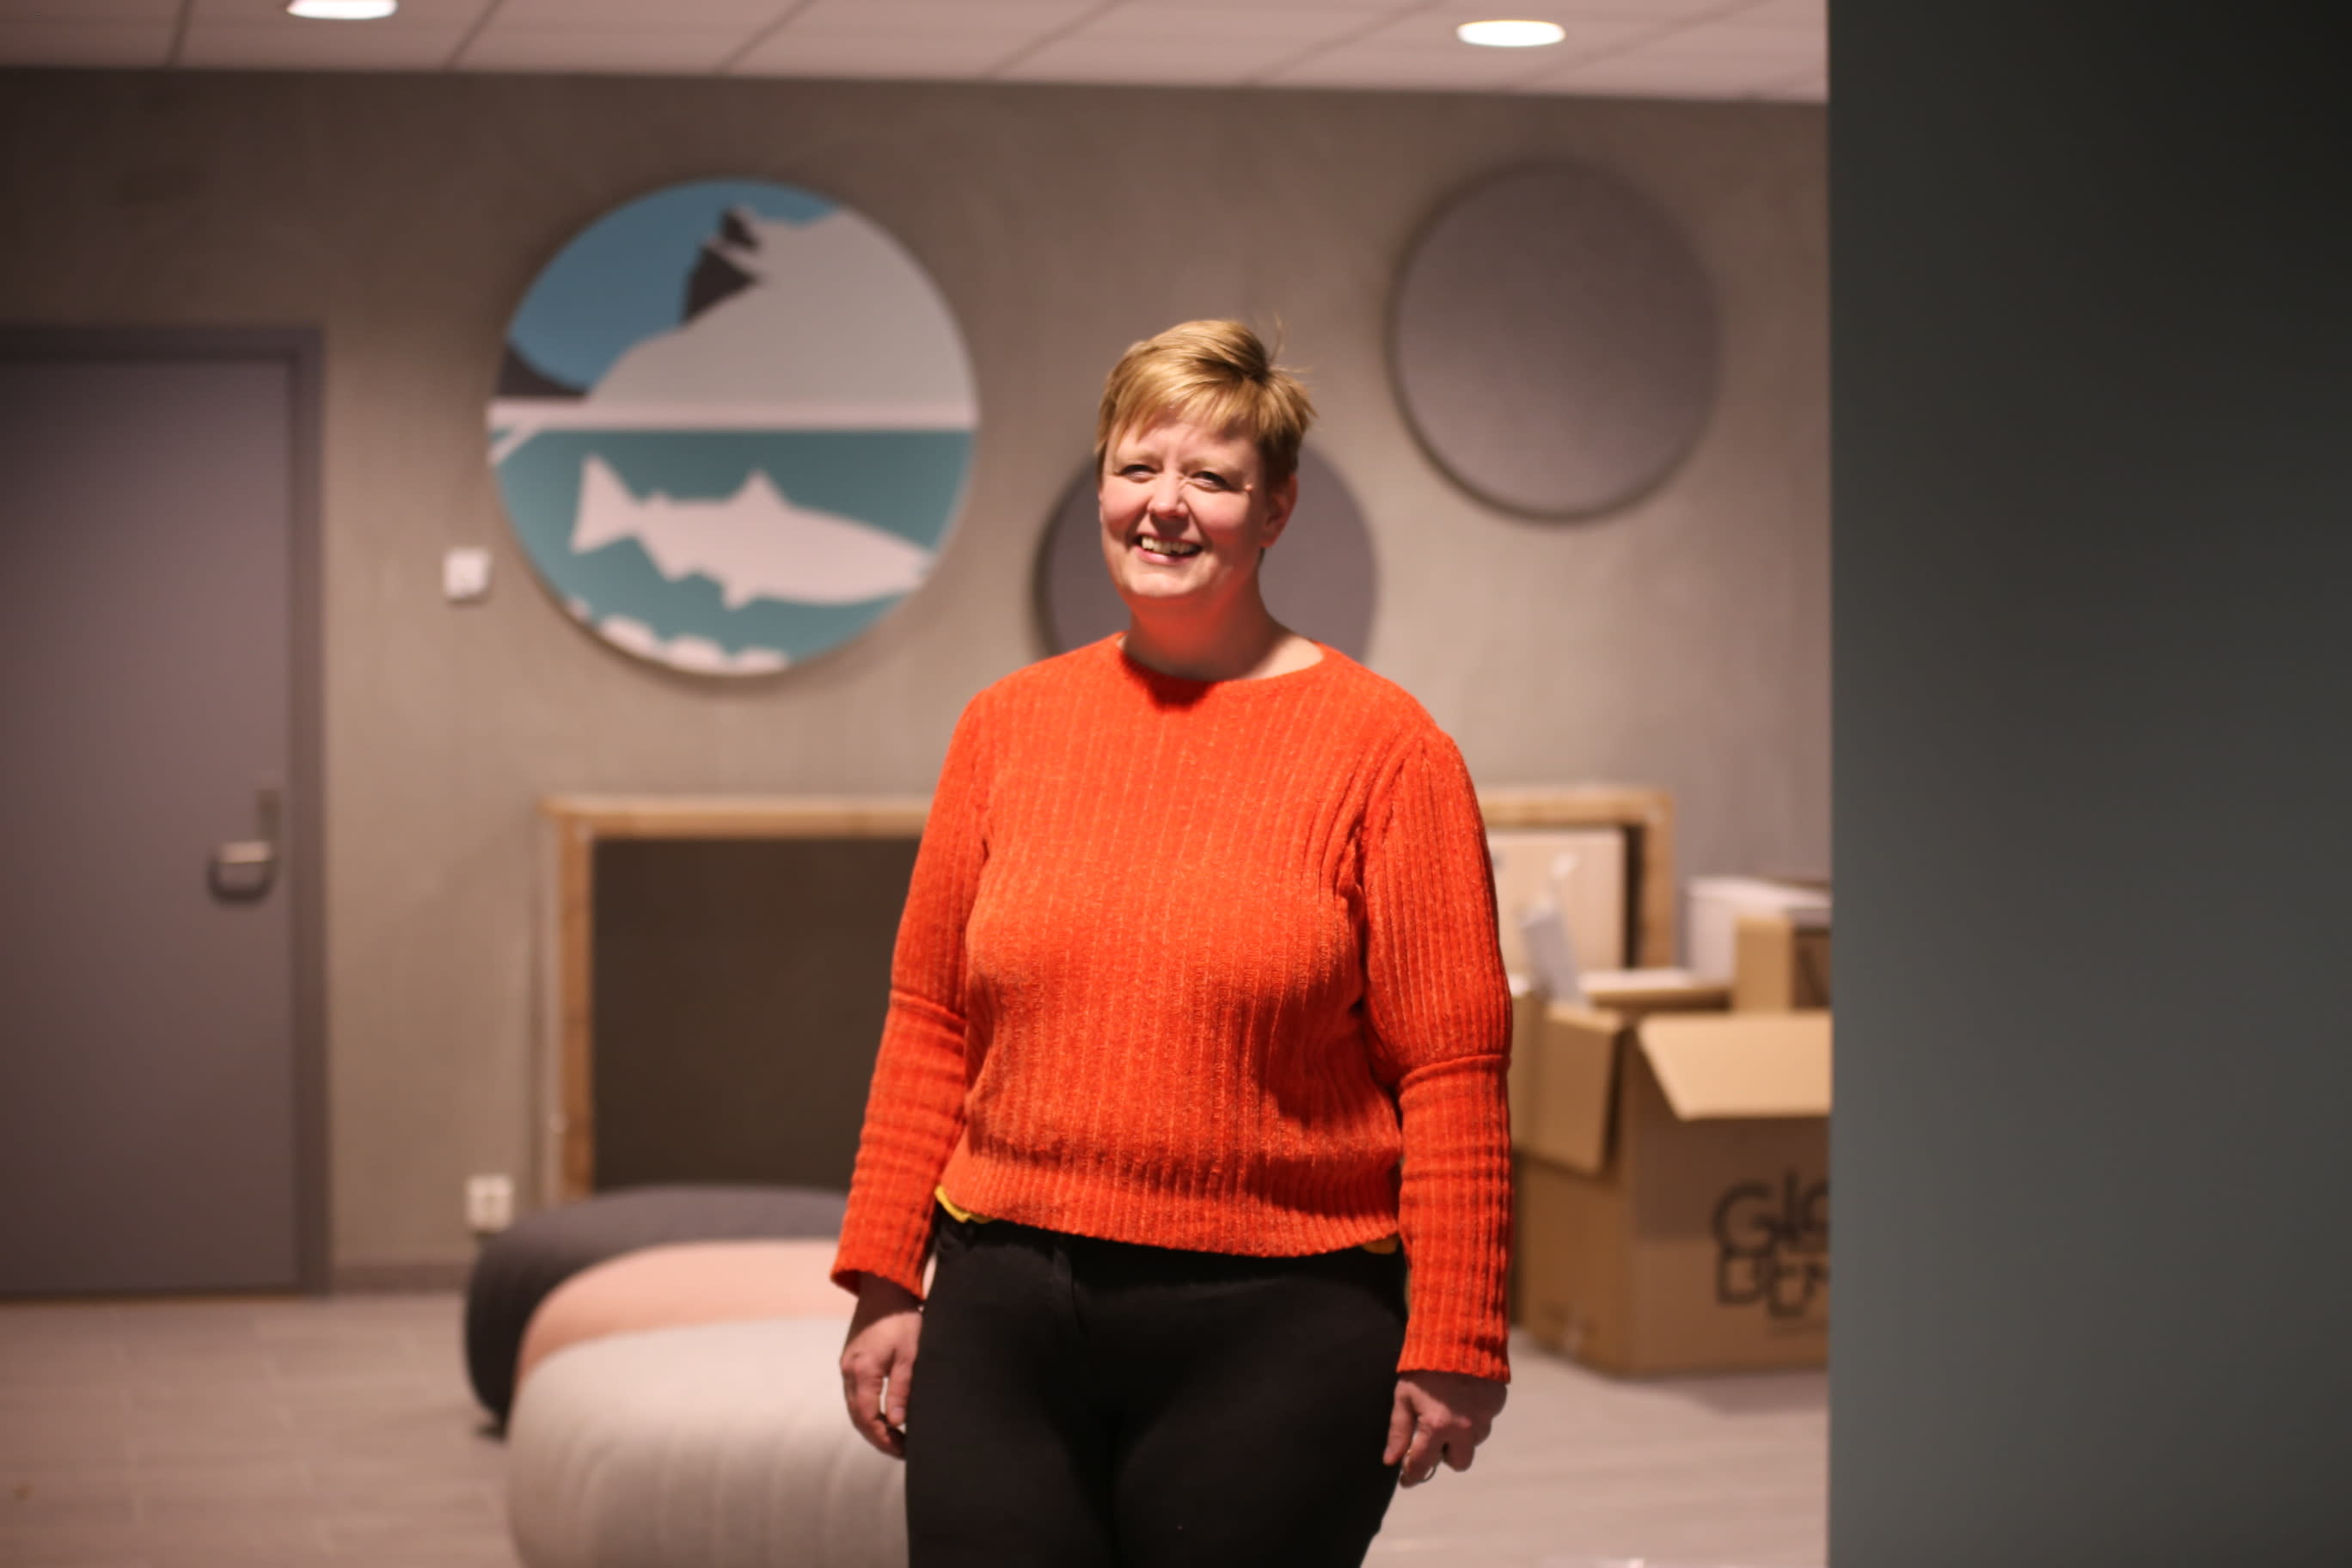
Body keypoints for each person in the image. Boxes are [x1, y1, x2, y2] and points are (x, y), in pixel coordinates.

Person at [832, 320, 1511, 1568]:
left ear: (1277, 509)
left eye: (1213, 477)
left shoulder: (1389, 753)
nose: (1165, 505)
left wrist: (1458, 1332)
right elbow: (930, 1018)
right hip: (1003, 1305)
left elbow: (1452, 1069)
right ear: (1101, 486)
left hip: (1281, 1328)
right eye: (1138, 467)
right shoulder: (1005, 728)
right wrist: (887, 1275)